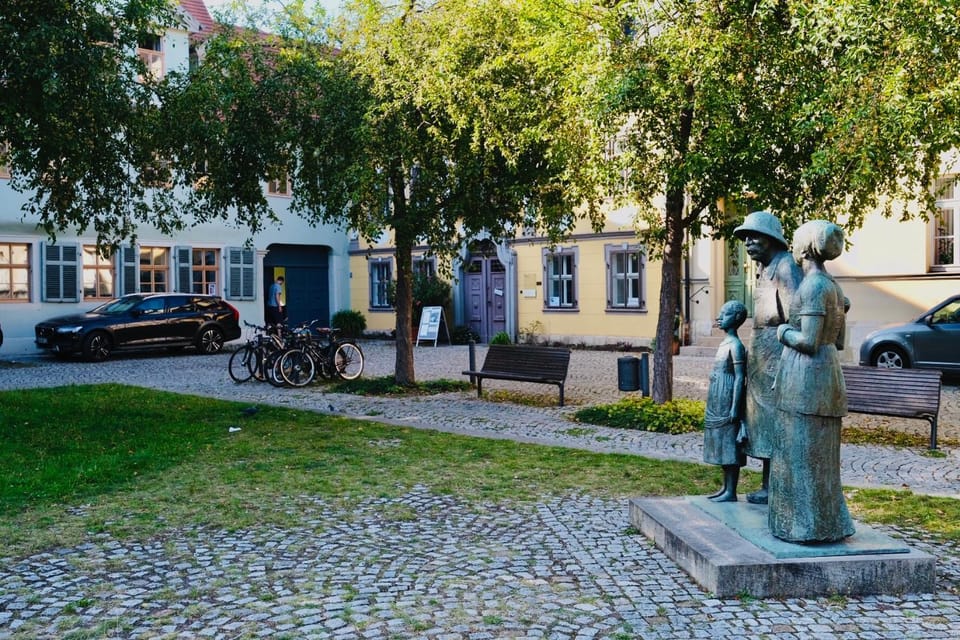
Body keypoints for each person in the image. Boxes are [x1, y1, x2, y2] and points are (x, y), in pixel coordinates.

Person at [770, 220, 855, 543]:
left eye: (794, 241)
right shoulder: (833, 286)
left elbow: (808, 341)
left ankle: (805, 525)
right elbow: (840, 341)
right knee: (815, 456)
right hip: (823, 374)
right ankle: (822, 522)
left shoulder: (814, 287)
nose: (791, 246)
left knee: (802, 455)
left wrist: (782, 331)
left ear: (804, 247)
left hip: (807, 377)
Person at [733, 211, 803, 504]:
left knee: (776, 423)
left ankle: (780, 487)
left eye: (754, 236)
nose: (748, 242)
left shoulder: (786, 268)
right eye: (745, 237)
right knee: (762, 424)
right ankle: (769, 485)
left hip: (776, 358)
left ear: (772, 239)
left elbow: (797, 318)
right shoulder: (767, 268)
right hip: (763, 359)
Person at [703, 300, 748, 502]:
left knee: (730, 445)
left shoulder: (736, 345)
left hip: (728, 396)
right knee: (721, 442)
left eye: (725, 314)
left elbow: (740, 377)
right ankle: (725, 488)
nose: (719, 318)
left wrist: (735, 407)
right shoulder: (724, 343)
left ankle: (731, 490)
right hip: (717, 398)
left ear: (737, 318)